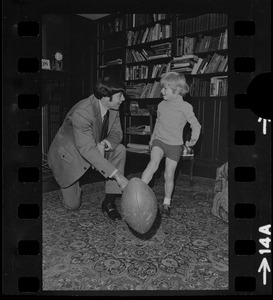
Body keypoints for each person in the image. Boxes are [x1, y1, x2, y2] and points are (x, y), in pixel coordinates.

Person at [47, 76, 129, 221]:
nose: (123, 99)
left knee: (120, 149)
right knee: (72, 205)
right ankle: (75, 180)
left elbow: (117, 133)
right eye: (120, 96)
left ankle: (109, 202)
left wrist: (103, 144)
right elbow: (87, 149)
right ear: (105, 96)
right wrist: (118, 175)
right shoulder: (82, 111)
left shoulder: (114, 108)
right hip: (70, 156)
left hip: (92, 146)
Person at [141, 72, 201, 216]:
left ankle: (167, 203)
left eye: (165, 89)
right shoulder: (161, 105)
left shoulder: (186, 107)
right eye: (162, 88)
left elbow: (196, 125)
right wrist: (152, 138)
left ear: (177, 90)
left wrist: (192, 141)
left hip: (174, 145)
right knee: (153, 164)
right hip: (159, 141)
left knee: (169, 175)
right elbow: (157, 123)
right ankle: (139, 191)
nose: (161, 91)